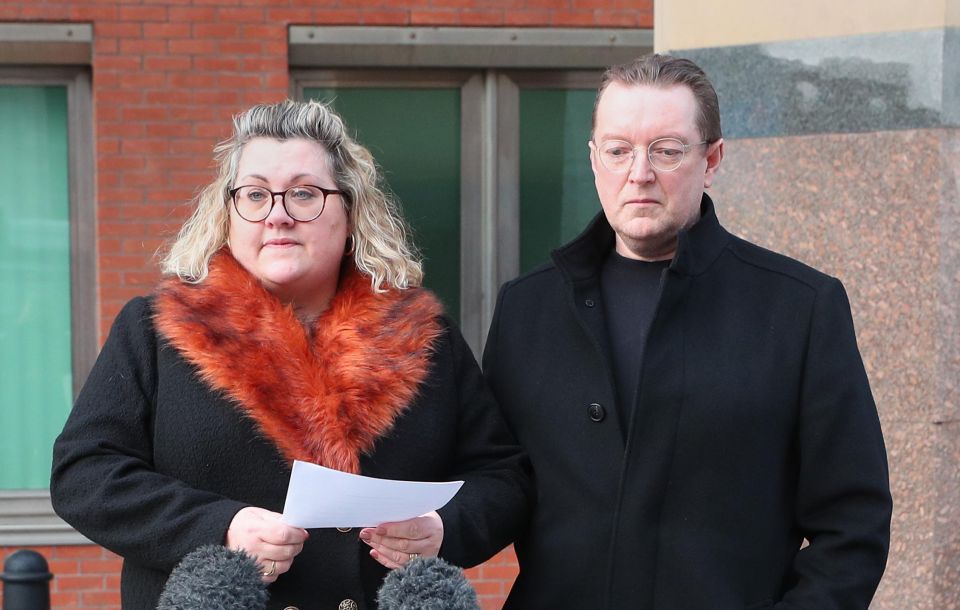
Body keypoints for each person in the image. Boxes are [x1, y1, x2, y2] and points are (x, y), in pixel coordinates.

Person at [51, 99, 532, 610]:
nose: (277, 216)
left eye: (304, 194)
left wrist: (441, 529)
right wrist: (221, 528)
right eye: (255, 195)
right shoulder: (154, 330)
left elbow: (503, 479)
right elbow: (85, 473)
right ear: (228, 212)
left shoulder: (424, 337)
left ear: (350, 209)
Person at [483, 54, 892, 609]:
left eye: (667, 150)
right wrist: (429, 524)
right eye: (619, 150)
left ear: (712, 159)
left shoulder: (801, 307)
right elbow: (495, 483)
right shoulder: (526, 308)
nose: (640, 172)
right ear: (595, 159)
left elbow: (853, 522)